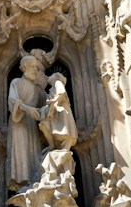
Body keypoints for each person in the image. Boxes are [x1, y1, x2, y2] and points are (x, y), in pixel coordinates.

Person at [7, 56, 46, 190]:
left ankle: (35, 183)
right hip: (19, 123)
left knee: (34, 152)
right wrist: (27, 109)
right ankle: (22, 183)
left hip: (32, 126)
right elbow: (13, 101)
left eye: (37, 67)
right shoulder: (16, 83)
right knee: (21, 150)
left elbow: (46, 106)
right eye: (32, 66)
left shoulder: (38, 90)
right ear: (23, 68)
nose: (35, 69)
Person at [38, 72, 78, 152]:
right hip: (55, 111)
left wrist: (54, 102)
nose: (48, 76)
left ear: (56, 77)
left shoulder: (57, 82)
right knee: (43, 124)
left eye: (51, 75)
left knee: (65, 129)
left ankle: (63, 147)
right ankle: (52, 145)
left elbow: (62, 93)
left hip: (61, 110)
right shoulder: (52, 87)